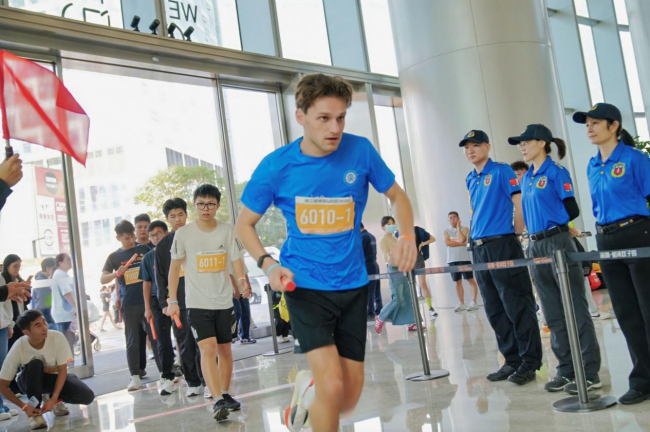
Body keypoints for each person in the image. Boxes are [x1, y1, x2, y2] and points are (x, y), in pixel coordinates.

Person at [235, 73, 417, 432]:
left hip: (353, 285)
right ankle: (318, 389)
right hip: (304, 286)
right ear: (300, 116)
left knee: (347, 400)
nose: (335, 128)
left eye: (340, 117)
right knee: (332, 386)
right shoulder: (277, 166)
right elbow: (244, 225)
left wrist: (407, 235)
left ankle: (308, 392)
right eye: (324, 118)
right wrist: (268, 265)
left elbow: (397, 196)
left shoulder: (360, 150)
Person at [509, 124, 602, 393]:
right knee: (551, 310)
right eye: (519, 143)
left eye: (526, 142)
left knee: (574, 307)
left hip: (557, 242)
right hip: (535, 245)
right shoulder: (526, 177)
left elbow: (571, 208)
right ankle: (566, 369)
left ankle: (589, 371)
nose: (522, 147)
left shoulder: (556, 172)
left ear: (542, 143)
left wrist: (557, 225)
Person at [573, 102, 650, 404]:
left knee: (647, 307)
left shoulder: (634, 158)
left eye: (595, 123)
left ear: (614, 125)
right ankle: (642, 379)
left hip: (638, 232)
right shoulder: (593, 165)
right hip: (606, 239)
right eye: (587, 125)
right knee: (626, 312)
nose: (589, 129)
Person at [461, 129, 542, 385]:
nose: (470, 150)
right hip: (479, 248)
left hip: (502, 244)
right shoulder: (470, 178)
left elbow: (519, 202)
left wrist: (516, 231)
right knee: (494, 307)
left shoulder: (502, 171)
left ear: (487, 146)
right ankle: (512, 360)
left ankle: (530, 361)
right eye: (466, 147)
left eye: (475, 145)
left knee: (516, 303)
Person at [166, 184, 248, 422]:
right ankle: (216, 399)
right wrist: (173, 299)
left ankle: (225, 393)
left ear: (218, 206)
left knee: (225, 349)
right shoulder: (183, 234)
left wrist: (242, 280)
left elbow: (236, 259)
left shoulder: (227, 230)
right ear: (194, 205)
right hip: (197, 303)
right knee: (208, 349)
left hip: (223, 301)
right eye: (201, 204)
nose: (205, 208)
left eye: (210, 204)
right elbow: (174, 269)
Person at [0, 309, 94, 430]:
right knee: (35, 364)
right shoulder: (19, 346)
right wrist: (24, 406)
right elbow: (2, 385)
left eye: (44, 322)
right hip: (28, 381)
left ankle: (54, 400)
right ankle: (35, 412)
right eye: (38, 325)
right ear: (26, 332)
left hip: (54, 378)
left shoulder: (57, 337)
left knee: (87, 396)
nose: (44, 328)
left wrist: (54, 398)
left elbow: (62, 370)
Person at [155, 197, 205, 398]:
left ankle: (209, 381)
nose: (178, 219)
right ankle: (193, 382)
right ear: (167, 219)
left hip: (201, 296)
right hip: (178, 302)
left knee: (205, 342)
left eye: (181, 215)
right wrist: (164, 303)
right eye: (173, 216)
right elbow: (160, 277)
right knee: (185, 344)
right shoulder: (163, 246)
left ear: (186, 214)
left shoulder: (199, 235)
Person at [100, 220, 151, 391]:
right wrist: (116, 273)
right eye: (127, 238)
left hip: (148, 301)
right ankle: (135, 375)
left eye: (132, 236)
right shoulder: (114, 257)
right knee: (132, 340)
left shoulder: (144, 249)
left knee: (154, 336)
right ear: (118, 238)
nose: (131, 240)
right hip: (129, 304)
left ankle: (166, 373)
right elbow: (103, 279)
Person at [141, 220, 178, 395]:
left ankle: (194, 376)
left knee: (184, 337)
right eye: (152, 236)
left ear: (166, 233)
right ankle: (166, 375)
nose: (155, 238)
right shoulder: (148, 258)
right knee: (162, 340)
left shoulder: (176, 251)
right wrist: (148, 308)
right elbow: (147, 284)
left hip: (177, 297)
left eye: (158, 234)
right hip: (158, 302)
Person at [375, 216, 418, 333]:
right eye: (388, 224)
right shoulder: (383, 240)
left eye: (392, 223)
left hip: (403, 269)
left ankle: (412, 322)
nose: (391, 226)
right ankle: (381, 317)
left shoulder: (396, 239)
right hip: (394, 270)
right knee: (398, 298)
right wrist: (397, 256)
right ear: (383, 226)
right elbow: (387, 258)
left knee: (407, 296)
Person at [443, 211, 479, 312]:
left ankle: (474, 302)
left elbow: (462, 238)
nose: (452, 220)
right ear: (448, 220)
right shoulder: (446, 231)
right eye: (450, 218)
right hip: (452, 260)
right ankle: (461, 303)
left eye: (454, 217)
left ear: (458, 218)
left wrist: (458, 228)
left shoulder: (465, 229)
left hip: (465, 259)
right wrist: (462, 243)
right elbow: (447, 243)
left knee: (470, 280)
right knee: (457, 282)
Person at [2, 255, 30, 351]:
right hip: (9, 322)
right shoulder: (3, 281)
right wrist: (10, 324)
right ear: (7, 266)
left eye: (19, 266)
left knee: (23, 349)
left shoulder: (19, 280)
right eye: (15, 266)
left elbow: (26, 302)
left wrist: (27, 290)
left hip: (21, 319)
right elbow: (6, 305)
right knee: (11, 350)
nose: (17, 269)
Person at [50, 253, 77, 355]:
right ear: (60, 263)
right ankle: (69, 363)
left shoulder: (62, 274)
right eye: (68, 260)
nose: (70, 262)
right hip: (64, 314)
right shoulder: (60, 274)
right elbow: (66, 293)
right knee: (67, 344)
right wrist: (76, 307)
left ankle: (70, 362)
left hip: (65, 314)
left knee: (69, 343)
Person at [414, 226, 437, 318]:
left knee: (422, 284)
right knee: (408, 286)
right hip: (406, 259)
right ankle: (412, 311)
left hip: (418, 259)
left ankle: (430, 308)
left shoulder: (417, 230)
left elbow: (433, 238)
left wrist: (422, 244)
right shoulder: (398, 232)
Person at [360, 223, 382, 319]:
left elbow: (359, 252)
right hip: (374, 264)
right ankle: (378, 309)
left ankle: (370, 312)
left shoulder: (363, 237)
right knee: (376, 289)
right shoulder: (371, 236)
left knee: (369, 290)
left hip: (368, 265)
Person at [32, 258, 55, 327]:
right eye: (54, 268)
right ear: (48, 268)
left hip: (45, 313)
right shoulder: (43, 282)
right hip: (46, 314)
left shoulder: (44, 279)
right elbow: (43, 303)